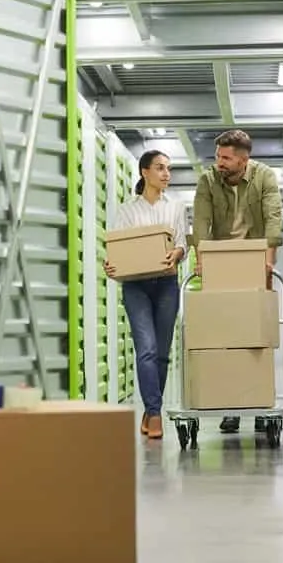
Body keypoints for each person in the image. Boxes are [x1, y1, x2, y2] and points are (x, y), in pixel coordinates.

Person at [192, 129, 283, 434]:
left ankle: (258, 402)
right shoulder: (207, 181)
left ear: (244, 160)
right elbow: (201, 222)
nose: (219, 161)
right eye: (218, 155)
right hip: (221, 259)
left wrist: (269, 259)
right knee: (223, 337)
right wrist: (202, 260)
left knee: (257, 337)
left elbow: (273, 217)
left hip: (254, 257)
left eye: (226, 157)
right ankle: (230, 405)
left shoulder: (265, 177)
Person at [104, 150, 187, 439]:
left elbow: (180, 245)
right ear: (144, 172)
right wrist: (111, 265)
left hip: (166, 284)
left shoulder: (175, 208)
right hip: (136, 286)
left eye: (169, 168)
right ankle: (154, 412)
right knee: (147, 349)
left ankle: (152, 408)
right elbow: (118, 249)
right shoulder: (127, 210)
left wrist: (176, 254)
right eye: (160, 168)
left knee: (162, 354)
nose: (166, 174)